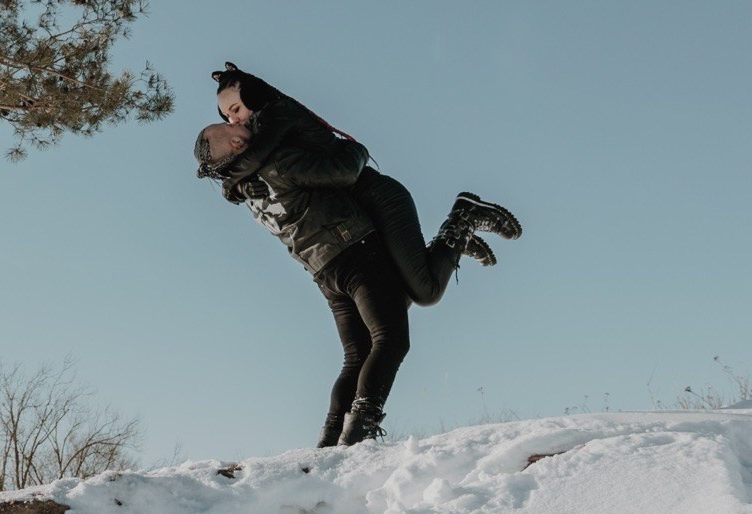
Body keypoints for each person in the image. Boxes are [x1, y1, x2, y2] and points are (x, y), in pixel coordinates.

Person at [195, 63, 519, 447]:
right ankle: (349, 435)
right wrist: (357, 150)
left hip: (346, 247)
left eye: (234, 111)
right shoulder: (268, 165)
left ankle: (341, 437)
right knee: (389, 332)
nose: (236, 120)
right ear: (233, 146)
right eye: (229, 120)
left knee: (391, 325)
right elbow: (343, 168)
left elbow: (325, 168)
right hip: (349, 252)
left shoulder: (249, 178)